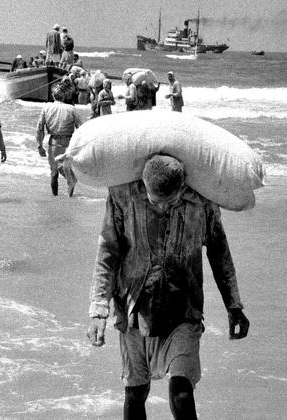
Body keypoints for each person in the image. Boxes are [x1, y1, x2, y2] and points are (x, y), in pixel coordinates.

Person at [86, 155, 250, 419]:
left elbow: (219, 251)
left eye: (170, 202)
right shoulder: (122, 197)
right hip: (135, 309)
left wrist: (234, 305)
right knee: (135, 394)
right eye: (155, 202)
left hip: (183, 311)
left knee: (182, 393)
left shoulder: (202, 202)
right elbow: (108, 251)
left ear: (182, 187)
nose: (163, 208)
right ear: (144, 186)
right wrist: (98, 310)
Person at [35, 87, 82, 196]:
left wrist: (39, 145)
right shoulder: (71, 108)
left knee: (54, 172)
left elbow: (39, 128)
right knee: (69, 172)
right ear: (64, 96)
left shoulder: (46, 107)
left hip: (54, 142)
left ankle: (54, 197)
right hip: (69, 142)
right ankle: (70, 196)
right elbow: (80, 128)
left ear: (53, 96)